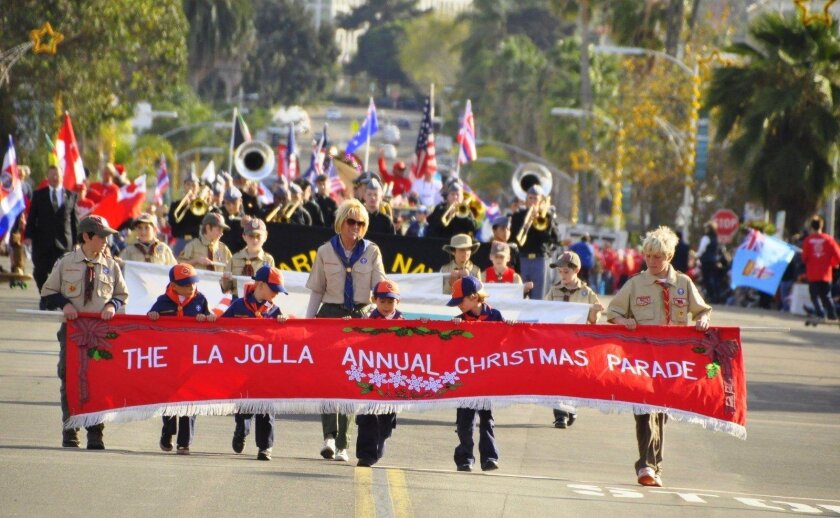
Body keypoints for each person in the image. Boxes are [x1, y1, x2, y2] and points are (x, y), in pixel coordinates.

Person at [605, 225, 711, 488]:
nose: (651, 262)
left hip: (672, 362)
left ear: (669, 257)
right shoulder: (635, 284)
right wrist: (624, 320)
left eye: (658, 257)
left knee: (659, 413)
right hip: (641, 359)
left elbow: (702, 311)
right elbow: (612, 313)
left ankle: (655, 465)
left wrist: (703, 320)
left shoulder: (683, 284)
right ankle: (646, 466)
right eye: (648, 256)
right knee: (644, 409)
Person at [305, 199, 387, 462]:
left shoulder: (372, 251)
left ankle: (344, 444)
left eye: (361, 223)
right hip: (330, 315)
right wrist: (308, 324)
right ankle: (328, 436)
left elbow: (381, 287)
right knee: (329, 379)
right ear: (341, 222)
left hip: (360, 317)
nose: (356, 227)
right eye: (351, 221)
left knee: (353, 381)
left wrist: (388, 315)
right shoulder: (325, 251)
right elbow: (318, 289)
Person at [40, 215, 129, 449]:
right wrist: (65, 304)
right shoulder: (66, 262)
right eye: (101, 237)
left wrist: (112, 306)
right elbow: (47, 292)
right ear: (87, 236)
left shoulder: (111, 265)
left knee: (97, 380)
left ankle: (96, 432)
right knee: (69, 378)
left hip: (100, 333)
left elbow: (121, 295)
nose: (105, 242)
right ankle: (70, 428)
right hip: (72, 331)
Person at [223, 265, 290, 461]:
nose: (276, 295)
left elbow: (282, 337)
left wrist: (282, 324)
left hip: (266, 369)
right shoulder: (238, 306)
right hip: (243, 367)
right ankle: (240, 430)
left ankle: (265, 446)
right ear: (260, 285)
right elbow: (221, 329)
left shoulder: (275, 310)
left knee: (266, 407)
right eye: (274, 289)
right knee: (245, 406)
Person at [147, 263, 215, 454]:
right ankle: (167, 432)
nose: (191, 287)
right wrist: (153, 316)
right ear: (174, 285)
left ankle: (184, 442)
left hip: (191, 359)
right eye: (186, 284)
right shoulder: (163, 301)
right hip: (169, 359)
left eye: (193, 282)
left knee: (190, 399)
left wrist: (207, 318)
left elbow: (210, 320)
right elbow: (148, 324)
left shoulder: (200, 300)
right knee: (168, 398)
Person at [448, 276, 505, 472]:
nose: (458, 306)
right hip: (465, 378)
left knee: (487, 419)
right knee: (464, 422)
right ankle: (465, 458)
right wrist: (452, 329)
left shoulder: (495, 316)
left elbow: (505, 343)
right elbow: (449, 345)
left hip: (487, 377)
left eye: (460, 301)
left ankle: (489, 457)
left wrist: (510, 328)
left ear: (473, 297)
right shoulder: (460, 320)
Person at [546, 251, 604, 428]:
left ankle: (571, 408)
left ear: (576, 270)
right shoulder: (554, 291)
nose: (562, 275)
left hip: (577, 343)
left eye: (566, 272)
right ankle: (560, 414)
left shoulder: (586, 293)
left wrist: (595, 309)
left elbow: (594, 319)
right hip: (557, 342)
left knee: (573, 379)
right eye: (560, 272)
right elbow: (545, 311)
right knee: (557, 378)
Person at [355, 280, 403, 467]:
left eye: (391, 302)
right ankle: (365, 454)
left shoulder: (405, 322)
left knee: (385, 420)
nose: (386, 305)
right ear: (374, 300)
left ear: (397, 302)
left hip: (393, 378)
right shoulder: (366, 321)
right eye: (382, 301)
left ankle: (381, 439)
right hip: (371, 376)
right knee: (368, 415)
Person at [24, 165, 79, 291]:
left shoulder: (71, 196)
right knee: (39, 273)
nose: (55, 178)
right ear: (47, 177)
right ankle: (45, 296)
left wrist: (77, 242)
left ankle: (54, 298)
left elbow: (75, 222)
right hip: (42, 243)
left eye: (57, 175)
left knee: (61, 274)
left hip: (64, 244)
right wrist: (28, 236)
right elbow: (32, 218)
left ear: (62, 177)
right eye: (52, 175)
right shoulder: (38, 195)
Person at [508, 185, 559, 300]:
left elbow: (550, 239)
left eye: (535, 198)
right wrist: (526, 224)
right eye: (530, 198)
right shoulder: (518, 215)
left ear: (541, 200)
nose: (532, 201)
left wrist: (537, 222)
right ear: (526, 200)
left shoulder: (547, 216)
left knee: (538, 297)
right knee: (519, 295)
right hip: (522, 258)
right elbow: (514, 238)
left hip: (539, 259)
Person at [222, 218, 275, 297]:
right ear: (244, 236)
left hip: (258, 302)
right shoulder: (235, 258)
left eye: (258, 236)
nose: (255, 240)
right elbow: (226, 289)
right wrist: (225, 281)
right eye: (251, 236)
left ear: (265, 236)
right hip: (237, 301)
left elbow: (271, 288)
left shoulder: (268, 260)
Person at [801, 215, 840, 321]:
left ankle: (821, 313)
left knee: (814, 296)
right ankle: (832, 314)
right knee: (826, 296)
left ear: (812, 227)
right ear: (822, 226)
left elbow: (804, 258)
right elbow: (838, 255)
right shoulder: (829, 239)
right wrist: (832, 263)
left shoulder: (808, 241)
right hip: (826, 274)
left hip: (813, 274)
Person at [167, 172, 202, 256]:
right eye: (188, 185)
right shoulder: (175, 204)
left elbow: (202, 222)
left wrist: (194, 205)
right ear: (184, 186)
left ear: (198, 188)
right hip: (180, 240)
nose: (190, 188)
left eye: (193, 186)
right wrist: (183, 207)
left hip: (196, 241)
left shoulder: (201, 205)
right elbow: (172, 222)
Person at [697, 222, 723, 303]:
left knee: (706, 279)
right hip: (713, 260)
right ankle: (717, 297)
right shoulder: (716, 238)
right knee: (714, 279)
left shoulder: (706, 238)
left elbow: (701, 250)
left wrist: (696, 255)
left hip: (706, 261)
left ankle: (711, 296)